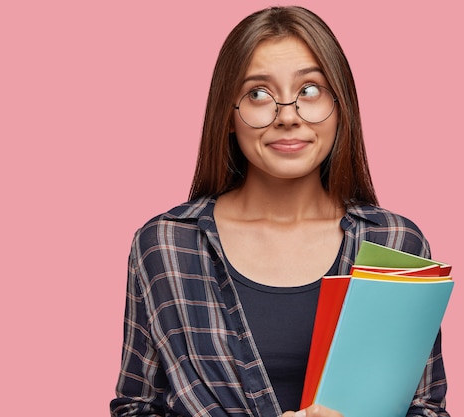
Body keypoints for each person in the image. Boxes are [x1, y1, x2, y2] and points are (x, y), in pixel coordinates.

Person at [110, 6, 449, 417]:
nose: (287, 116)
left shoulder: (395, 243)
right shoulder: (165, 245)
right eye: (258, 94)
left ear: (341, 106)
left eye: (310, 90)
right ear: (228, 116)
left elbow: (426, 409)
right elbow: (135, 407)